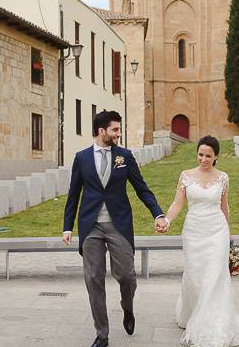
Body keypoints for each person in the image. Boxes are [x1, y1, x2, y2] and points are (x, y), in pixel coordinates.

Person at [62, 110, 168, 347]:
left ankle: (127, 308)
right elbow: (73, 195)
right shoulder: (81, 158)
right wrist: (67, 226)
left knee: (127, 276)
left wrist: (158, 213)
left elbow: (142, 188)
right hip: (90, 227)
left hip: (118, 225)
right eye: (115, 130)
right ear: (102, 131)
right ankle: (102, 335)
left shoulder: (125, 156)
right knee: (93, 280)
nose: (119, 134)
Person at [159, 135, 239, 346]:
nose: (203, 159)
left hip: (217, 231)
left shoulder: (223, 177)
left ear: (216, 157)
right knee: (196, 274)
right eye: (200, 154)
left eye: (208, 156)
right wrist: (167, 219)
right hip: (193, 231)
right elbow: (177, 204)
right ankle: (192, 312)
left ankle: (211, 324)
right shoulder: (185, 176)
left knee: (215, 275)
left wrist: (229, 233)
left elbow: (224, 207)